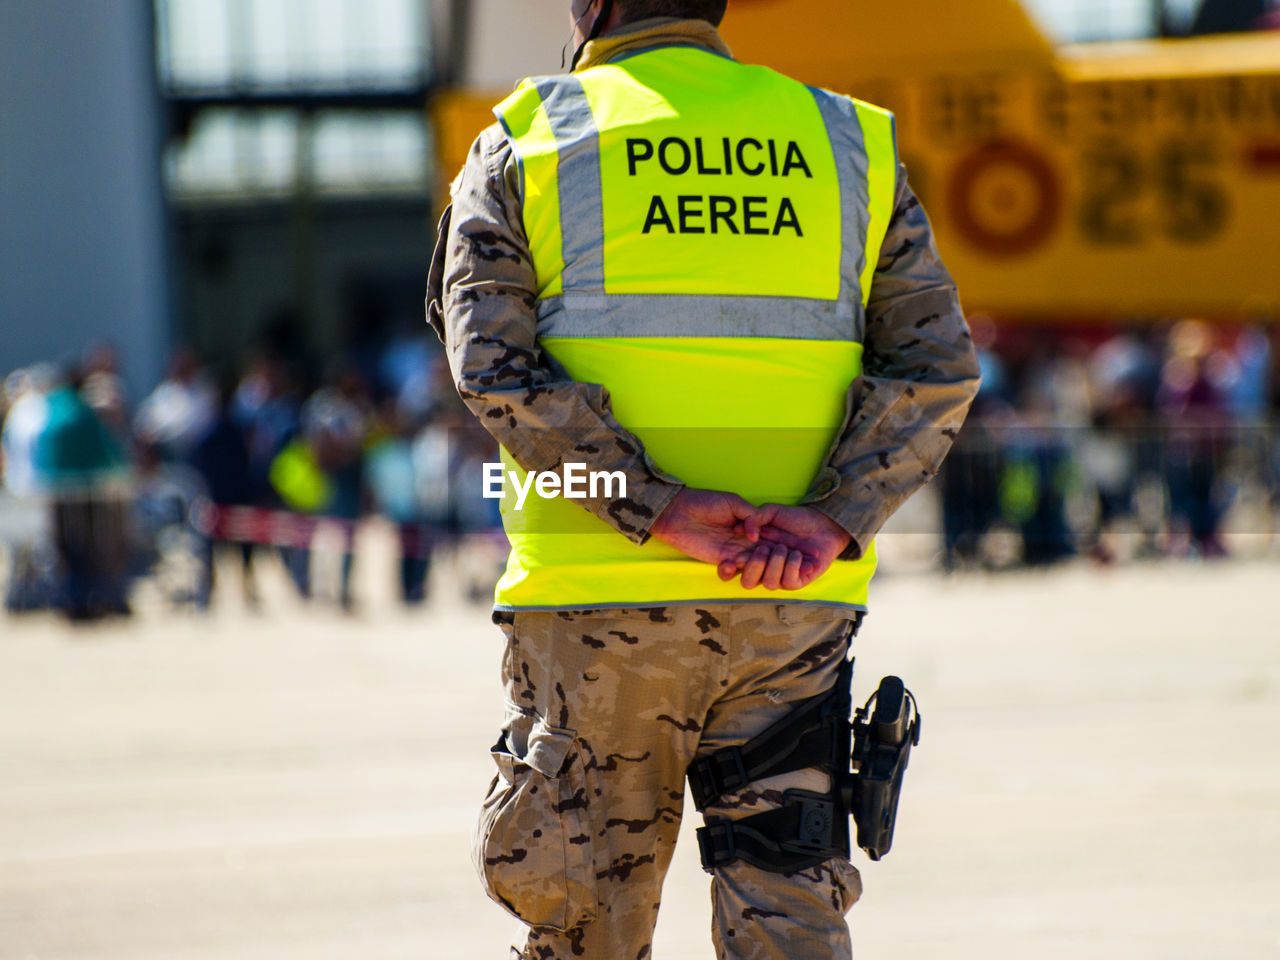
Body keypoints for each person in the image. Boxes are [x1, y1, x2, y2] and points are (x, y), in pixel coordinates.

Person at [426, 2, 980, 957]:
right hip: (792, 603)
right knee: (791, 924)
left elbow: (493, 369)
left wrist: (658, 509)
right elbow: (935, 367)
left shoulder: (528, 139)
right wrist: (835, 517)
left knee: (585, 932)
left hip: (597, 602)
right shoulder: (845, 140)